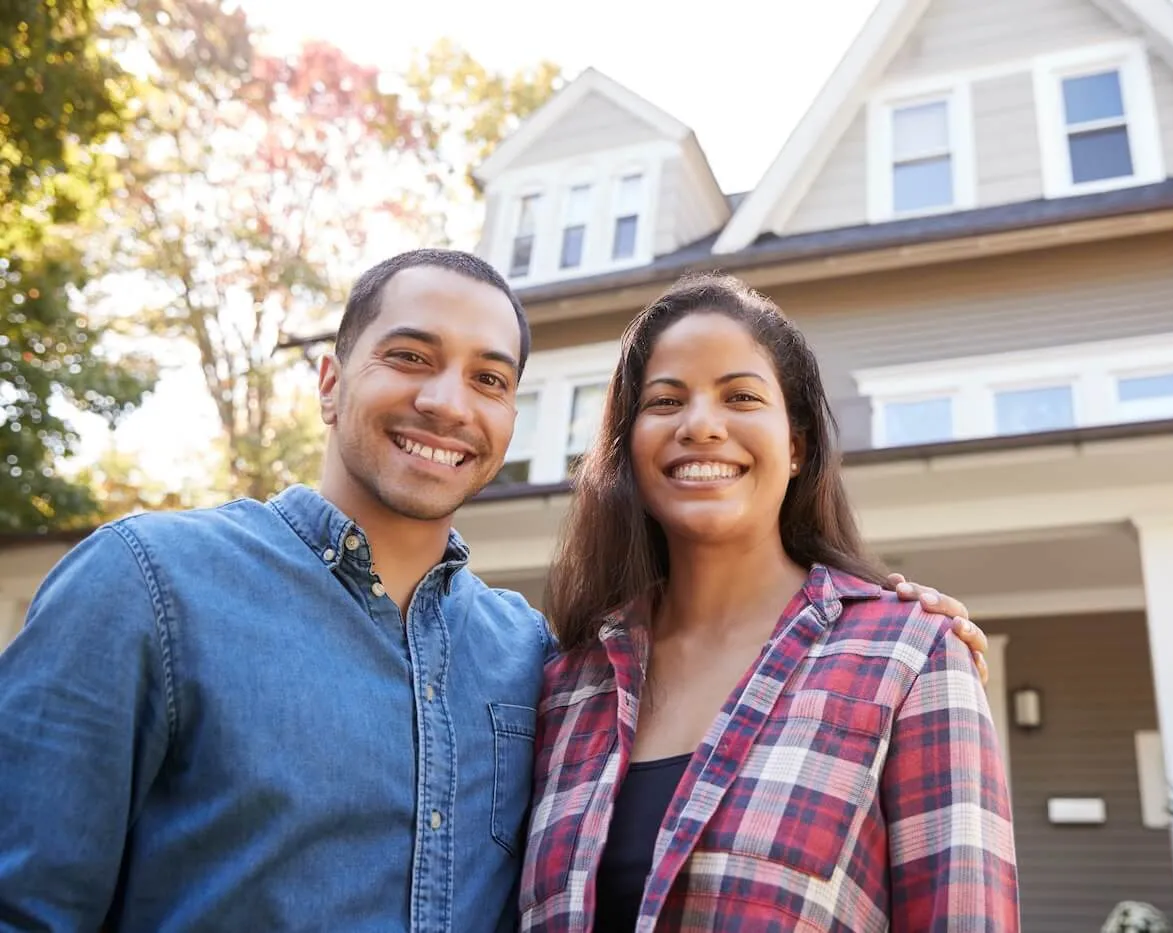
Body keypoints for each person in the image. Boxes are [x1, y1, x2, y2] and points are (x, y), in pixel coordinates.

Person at [0, 249, 985, 933]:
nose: (445, 403)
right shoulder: (150, 586)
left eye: (488, 377)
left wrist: (889, 624)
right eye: (410, 358)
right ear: (328, 380)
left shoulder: (531, 661)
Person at [520, 274, 1019, 931]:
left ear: (796, 446)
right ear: (628, 449)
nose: (700, 425)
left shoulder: (911, 657)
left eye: (741, 396)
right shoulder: (566, 686)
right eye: (666, 400)